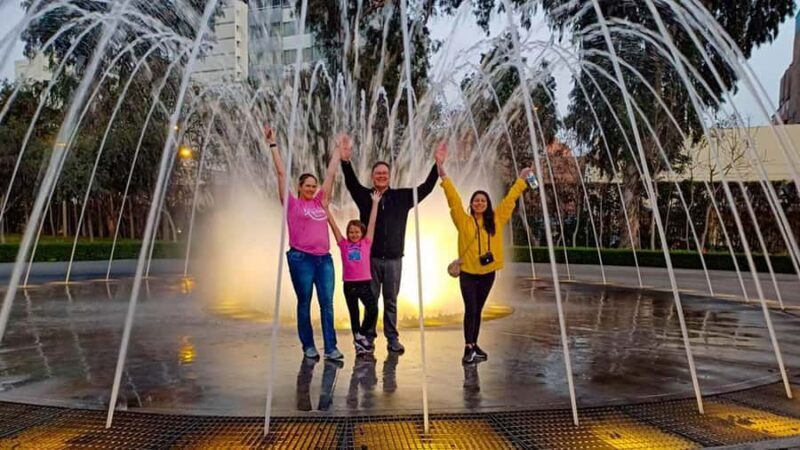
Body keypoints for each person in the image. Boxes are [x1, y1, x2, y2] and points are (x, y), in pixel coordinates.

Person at [339, 142, 442, 354]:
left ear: (390, 176)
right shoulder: (365, 196)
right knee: (371, 301)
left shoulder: (402, 197)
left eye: (385, 173)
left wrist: (437, 165)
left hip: (395, 259)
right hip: (371, 260)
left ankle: (392, 338)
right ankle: (368, 337)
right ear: (372, 177)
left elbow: (426, 188)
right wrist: (345, 161)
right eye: (378, 173)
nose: (381, 176)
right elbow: (350, 183)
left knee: (391, 301)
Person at [435, 142, 531, 364]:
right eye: (476, 201)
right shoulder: (463, 221)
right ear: (472, 204)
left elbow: (510, 200)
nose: (479, 203)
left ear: (487, 204)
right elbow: (453, 200)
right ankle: (468, 347)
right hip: (468, 273)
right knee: (470, 309)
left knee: (478, 309)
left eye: (483, 201)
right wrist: (442, 172)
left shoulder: (496, 219)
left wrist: (521, 180)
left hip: (488, 273)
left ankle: (474, 344)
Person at [268, 125, 343, 361]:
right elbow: (281, 174)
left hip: (325, 260)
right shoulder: (292, 204)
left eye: (314, 185)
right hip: (301, 259)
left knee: (327, 304)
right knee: (305, 302)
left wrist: (337, 153)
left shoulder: (321, 201)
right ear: (299, 187)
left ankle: (331, 348)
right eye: (307, 185)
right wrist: (273, 145)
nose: (312, 188)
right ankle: (308, 345)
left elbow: (330, 175)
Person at [324, 185, 382, 357]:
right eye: (351, 232)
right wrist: (326, 209)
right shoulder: (343, 244)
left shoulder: (366, 243)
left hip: (364, 283)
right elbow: (333, 226)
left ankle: (361, 335)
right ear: (348, 233)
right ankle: (359, 343)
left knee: (373, 310)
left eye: (357, 232)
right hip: (349, 285)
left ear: (362, 233)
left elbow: (372, 223)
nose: (354, 234)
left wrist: (375, 204)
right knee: (354, 313)